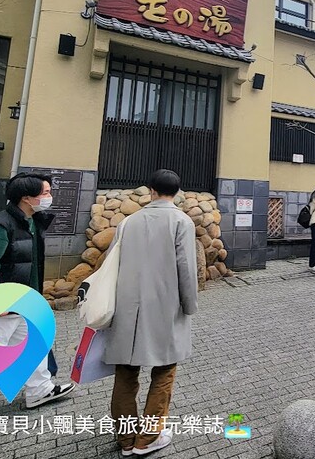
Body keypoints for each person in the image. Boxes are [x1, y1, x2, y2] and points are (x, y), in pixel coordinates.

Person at [102, 169, 198, 455]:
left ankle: (126, 439)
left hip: (127, 307)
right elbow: (187, 269)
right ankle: (148, 439)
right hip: (165, 307)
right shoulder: (182, 221)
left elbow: (111, 264)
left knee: (126, 373)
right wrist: (189, 305)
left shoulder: (128, 222)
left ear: (151, 191)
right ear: (177, 192)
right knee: (165, 370)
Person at [0, 173, 76, 410]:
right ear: (27, 198)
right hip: (1, 309)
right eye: (45, 193)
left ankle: (40, 390)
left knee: (34, 346)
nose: (49, 197)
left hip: (25, 302)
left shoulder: (33, 221)